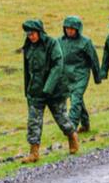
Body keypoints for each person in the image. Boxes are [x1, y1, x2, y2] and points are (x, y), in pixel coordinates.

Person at [21, 19, 78, 163]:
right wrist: (27, 90)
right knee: (33, 122)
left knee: (61, 118)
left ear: (39, 32)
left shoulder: (52, 44)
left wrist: (48, 88)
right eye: (28, 34)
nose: (31, 37)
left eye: (33, 34)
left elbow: (58, 66)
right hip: (35, 91)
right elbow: (27, 71)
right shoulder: (28, 47)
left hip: (55, 90)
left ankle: (72, 136)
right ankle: (34, 152)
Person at [59, 16, 101, 134]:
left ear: (78, 29)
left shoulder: (85, 42)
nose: (69, 31)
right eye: (67, 28)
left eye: (72, 29)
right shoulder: (60, 41)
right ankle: (85, 124)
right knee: (76, 99)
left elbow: (94, 59)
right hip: (66, 76)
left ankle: (71, 127)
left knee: (75, 99)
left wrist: (97, 76)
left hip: (81, 75)